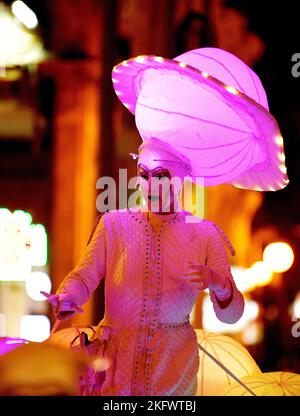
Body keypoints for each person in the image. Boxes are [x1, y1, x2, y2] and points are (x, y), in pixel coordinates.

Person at [46, 46, 288, 396]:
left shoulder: (205, 234)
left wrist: (219, 286)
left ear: (180, 179)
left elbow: (232, 315)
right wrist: (68, 295)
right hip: (116, 360)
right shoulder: (115, 223)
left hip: (174, 363)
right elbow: (86, 274)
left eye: (160, 174)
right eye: (143, 173)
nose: (150, 183)